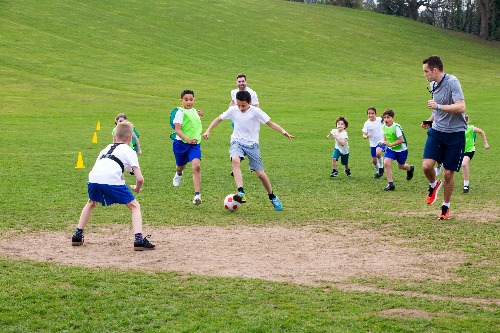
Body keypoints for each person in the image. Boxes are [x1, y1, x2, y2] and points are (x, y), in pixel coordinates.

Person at [202, 90, 294, 211]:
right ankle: (241, 192)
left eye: (243, 105)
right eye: (238, 105)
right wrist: (208, 130)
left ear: (249, 103)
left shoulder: (256, 111)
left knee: (260, 174)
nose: (240, 108)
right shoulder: (234, 109)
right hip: (237, 142)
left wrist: (283, 131)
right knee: (235, 160)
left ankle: (272, 196)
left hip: (252, 145)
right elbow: (218, 119)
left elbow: (270, 123)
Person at [72, 120, 155, 251]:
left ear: (114, 137)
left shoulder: (105, 148)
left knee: (91, 202)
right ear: (129, 139)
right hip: (110, 179)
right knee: (135, 206)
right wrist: (137, 188)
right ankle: (138, 239)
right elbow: (139, 178)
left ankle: (77, 235)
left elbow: (108, 167)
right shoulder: (129, 150)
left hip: (93, 179)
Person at [422, 55, 467, 220]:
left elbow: (461, 106)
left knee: (448, 173)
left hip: (455, 133)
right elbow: (436, 110)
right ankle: (434, 184)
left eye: (426, 71)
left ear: (435, 70)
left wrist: (439, 106)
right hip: (437, 131)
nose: (425, 74)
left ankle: (445, 207)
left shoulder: (452, 82)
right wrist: (430, 119)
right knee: (427, 166)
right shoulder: (433, 85)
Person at [171, 90, 203, 205]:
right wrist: (187, 139)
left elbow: (193, 125)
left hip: (194, 145)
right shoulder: (180, 112)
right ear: (181, 101)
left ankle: (197, 195)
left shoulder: (195, 111)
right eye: (186, 100)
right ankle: (179, 174)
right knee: (180, 166)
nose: (189, 102)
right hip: (181, 145)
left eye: (191, 99)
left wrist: (198, 116)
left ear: (194, 100)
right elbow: (177, 130)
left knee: (196, 166)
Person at [380, 109, 414, 191]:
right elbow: (385, 134)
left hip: (401, 150)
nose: (386, 119)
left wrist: (390, 144)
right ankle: (390, 184)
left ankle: (410, 168)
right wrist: (383, 141)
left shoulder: (396, 127)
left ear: (393, 118)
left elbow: (400, 140)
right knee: (386, 163)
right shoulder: (384, 126)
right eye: (384, 118)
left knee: (401, 166)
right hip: (391, 149)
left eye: (388, 117)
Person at [461, 113, 490, 193]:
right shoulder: (456, 129)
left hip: (470, 150)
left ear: (466, 121)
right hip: (459, 150)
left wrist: (485, 143)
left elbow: (481, 132)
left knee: (464, 164)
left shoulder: (471, 128)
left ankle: (466, 184)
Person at [362, 106, 385, 178]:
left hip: (381, 141)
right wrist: (366, 136)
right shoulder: (367, 123)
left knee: (378, 153)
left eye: (372, 113)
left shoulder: (379, 119)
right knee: (374, 161)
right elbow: (364, 134)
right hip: (372, 143)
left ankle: (381, 167)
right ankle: (379, 172)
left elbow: (386, 118)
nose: (371, 115)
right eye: (369, 113)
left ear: (375, 114)